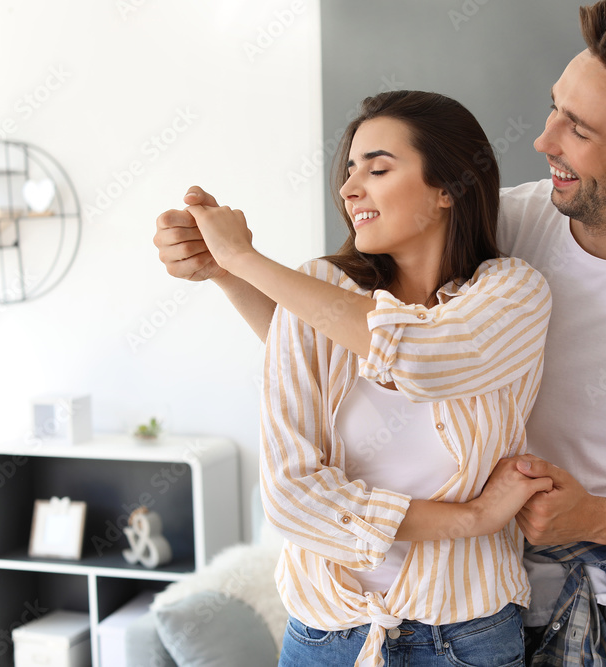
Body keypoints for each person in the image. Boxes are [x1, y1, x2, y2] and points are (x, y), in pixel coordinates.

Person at [154, 3, 606, 664]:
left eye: (577, 129)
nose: (544, 139)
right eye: (554, 106)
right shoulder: (509, 223)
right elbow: (352, 355)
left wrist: (594, 515)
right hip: (470, 582)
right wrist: (228, 274)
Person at [180, 90, 553, 666]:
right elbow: (290, 496)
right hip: (324, 637)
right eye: (349, 171)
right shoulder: (311, 290)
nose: (350, 189)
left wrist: (246, 261)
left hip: (467, 636)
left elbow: (426, 360)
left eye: (377, 168)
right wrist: (471, 519)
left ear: (449, 188)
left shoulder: (513, 294)